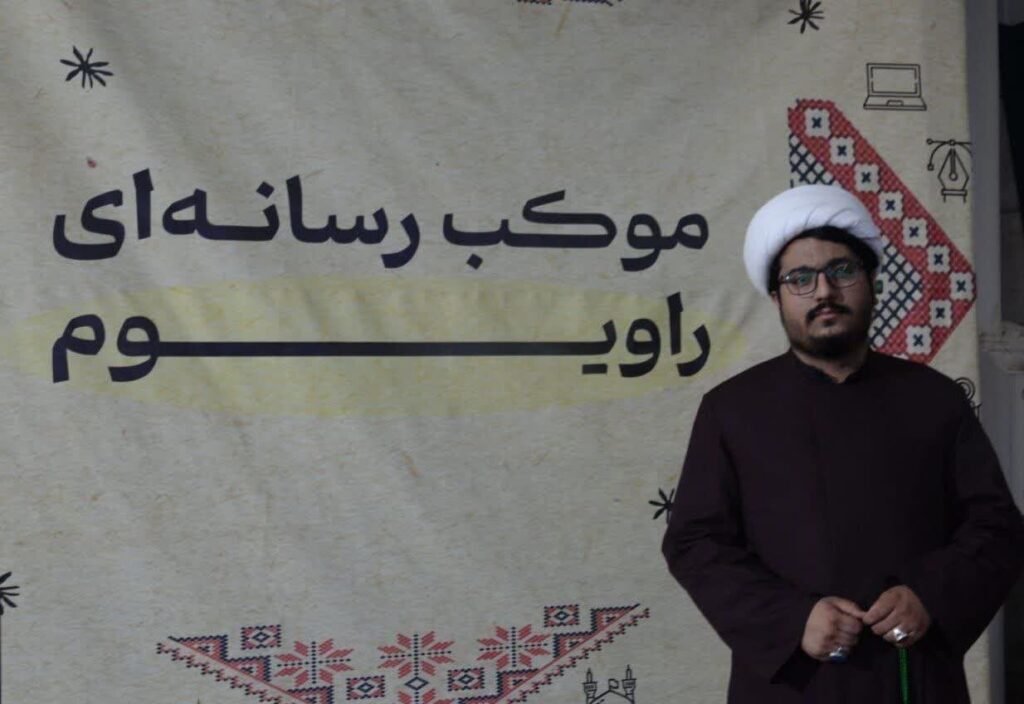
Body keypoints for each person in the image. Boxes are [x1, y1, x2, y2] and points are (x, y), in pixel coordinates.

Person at [660, 184, 1024, 703]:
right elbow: (695, 543)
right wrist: (792, 619)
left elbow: (997, 527)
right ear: (777, 297)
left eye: (842, 271)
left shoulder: (934, 398)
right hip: (792, 682)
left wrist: (930, 595)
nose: (824, 292)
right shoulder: (731, 410)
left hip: (913, 675)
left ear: (872, 282)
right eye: (800, 279)